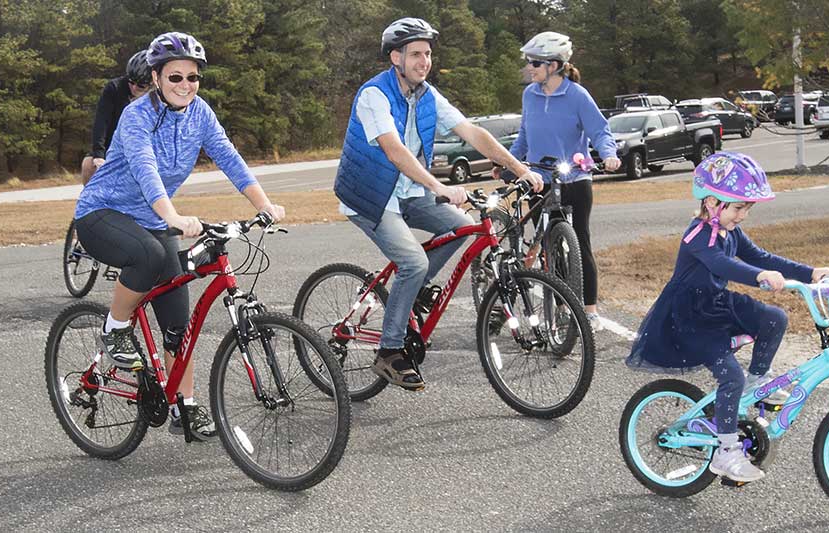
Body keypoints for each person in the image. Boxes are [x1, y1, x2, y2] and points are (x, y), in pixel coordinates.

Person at [73, 32, 284, 439]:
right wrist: (173, 215)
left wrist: (264, 205)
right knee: (148, 255)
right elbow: (145, 168)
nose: (185, 86)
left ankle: (184, 406)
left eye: (192, 77)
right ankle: (115, 327)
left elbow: (229, 158)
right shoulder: (137, 116)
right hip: (102, 213)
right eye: (175, 78)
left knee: (178, 324)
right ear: (155, 77)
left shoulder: (200, 113)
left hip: (154, 219)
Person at [335, 18, 541, 391]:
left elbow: (472, 132)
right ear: (395, 57)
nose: (424, 61)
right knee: (413, 261)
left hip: (409, 193)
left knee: (460, 226)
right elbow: (394, 150)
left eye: (428, 54)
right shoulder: (374, 95)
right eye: (416, 54)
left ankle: (412, 290)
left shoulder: (427, 94)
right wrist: (438, 185)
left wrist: (518, 167)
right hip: (371, 196)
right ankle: (389, 350)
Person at [625, 152, 829, 483]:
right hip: (690, 316)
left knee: (774, 319)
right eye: (738, 208)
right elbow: (723, 265)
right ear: (712, 203)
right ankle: (725, 452)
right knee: (730, 377)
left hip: (718, 304)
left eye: (747, 209)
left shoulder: (731, 231)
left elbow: (760, 256)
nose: (743, 216)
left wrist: (810, 272)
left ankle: (758, 382)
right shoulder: (697, 235)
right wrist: (760, 276)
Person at [508, 31, 621, 332]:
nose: (529, 68)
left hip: (574, 179)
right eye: (529, 62)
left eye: (535, 63)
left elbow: (600, 131)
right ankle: (561, 307)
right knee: (550, 247)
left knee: (579, 242)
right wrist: (507, 161)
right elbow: (524, 134)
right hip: (538, 182)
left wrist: (609, 155)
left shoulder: (577, 96)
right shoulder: (529, 94)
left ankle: (590, 310)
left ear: (554, 65)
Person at [81, 50, 152, 180]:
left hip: (141, 149)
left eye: (141, 86)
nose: (134, 87)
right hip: (112, 145)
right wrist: (98, 154)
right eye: (131, 82)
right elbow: (102, 121)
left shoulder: (156, 98)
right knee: (88, 166)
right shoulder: (114, 88)